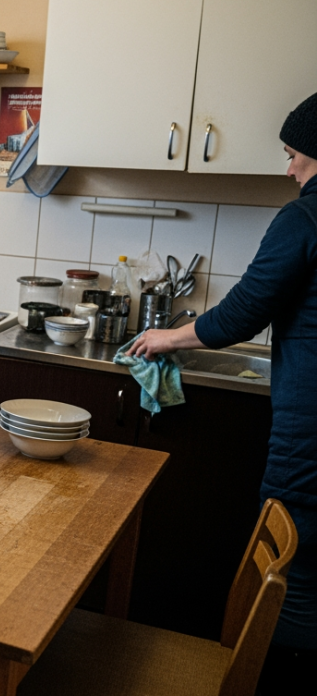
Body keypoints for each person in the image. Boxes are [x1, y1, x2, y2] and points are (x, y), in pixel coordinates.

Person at [127, 92, 317, 692]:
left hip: (309, 430)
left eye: (295, 155)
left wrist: (169, 337)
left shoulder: (305, 217)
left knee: (293, 571)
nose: (290, 170)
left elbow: (241, 314)